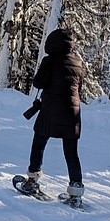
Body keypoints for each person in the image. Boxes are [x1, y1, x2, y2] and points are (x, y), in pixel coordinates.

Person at [23, 28, 85, 200]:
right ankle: (76, 190)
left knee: (39, 144)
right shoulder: (78, 62)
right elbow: (79, 88)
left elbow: (38, 82)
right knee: (71, 153)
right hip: (72, 112)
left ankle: (32, 180)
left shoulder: (49, 61)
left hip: (50, 109)